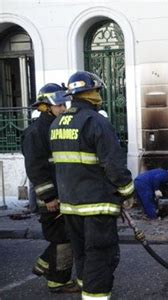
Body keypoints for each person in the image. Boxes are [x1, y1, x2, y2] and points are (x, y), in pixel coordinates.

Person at [50, 71, 135, 299]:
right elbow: (113, 164)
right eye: (97, 91)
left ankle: (86, 289)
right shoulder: (96, 121)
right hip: (97, 205)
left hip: (70, 206)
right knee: (100, 254)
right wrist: (128, 191)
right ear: (89, 92)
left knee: (82, 254)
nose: (99, 95)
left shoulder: (57, 123)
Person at [21, 83, 79, 293]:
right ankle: (58, 280)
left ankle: (45, 265)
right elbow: (36, 169)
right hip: (51, 199)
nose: (64, 109)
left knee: (65, 236)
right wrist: (49, 197)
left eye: (65, 104)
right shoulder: (36, 132)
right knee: (63, 239)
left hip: (63, 195)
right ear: (46, 106)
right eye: (60, 105)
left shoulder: (56, 128)